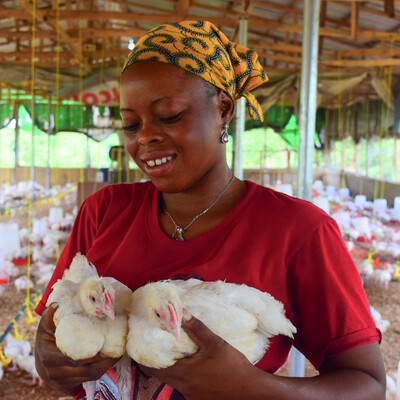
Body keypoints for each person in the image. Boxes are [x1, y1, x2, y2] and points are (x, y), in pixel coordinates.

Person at [35, 20, 386, 400]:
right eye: (131, 123)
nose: (145, 137)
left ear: (222, 109)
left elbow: (367, 386)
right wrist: (49, 360)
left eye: (168, 115)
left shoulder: (298, 232)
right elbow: (51, 339)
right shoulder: (103, 212)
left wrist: (253, 388)